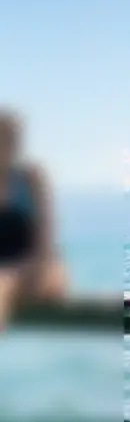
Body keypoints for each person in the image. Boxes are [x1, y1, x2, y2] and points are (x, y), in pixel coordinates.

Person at [0, 109, 69, 330]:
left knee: (5, 283)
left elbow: (44, 236)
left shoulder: (30, 178)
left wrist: (31, 270)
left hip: (33, 267)